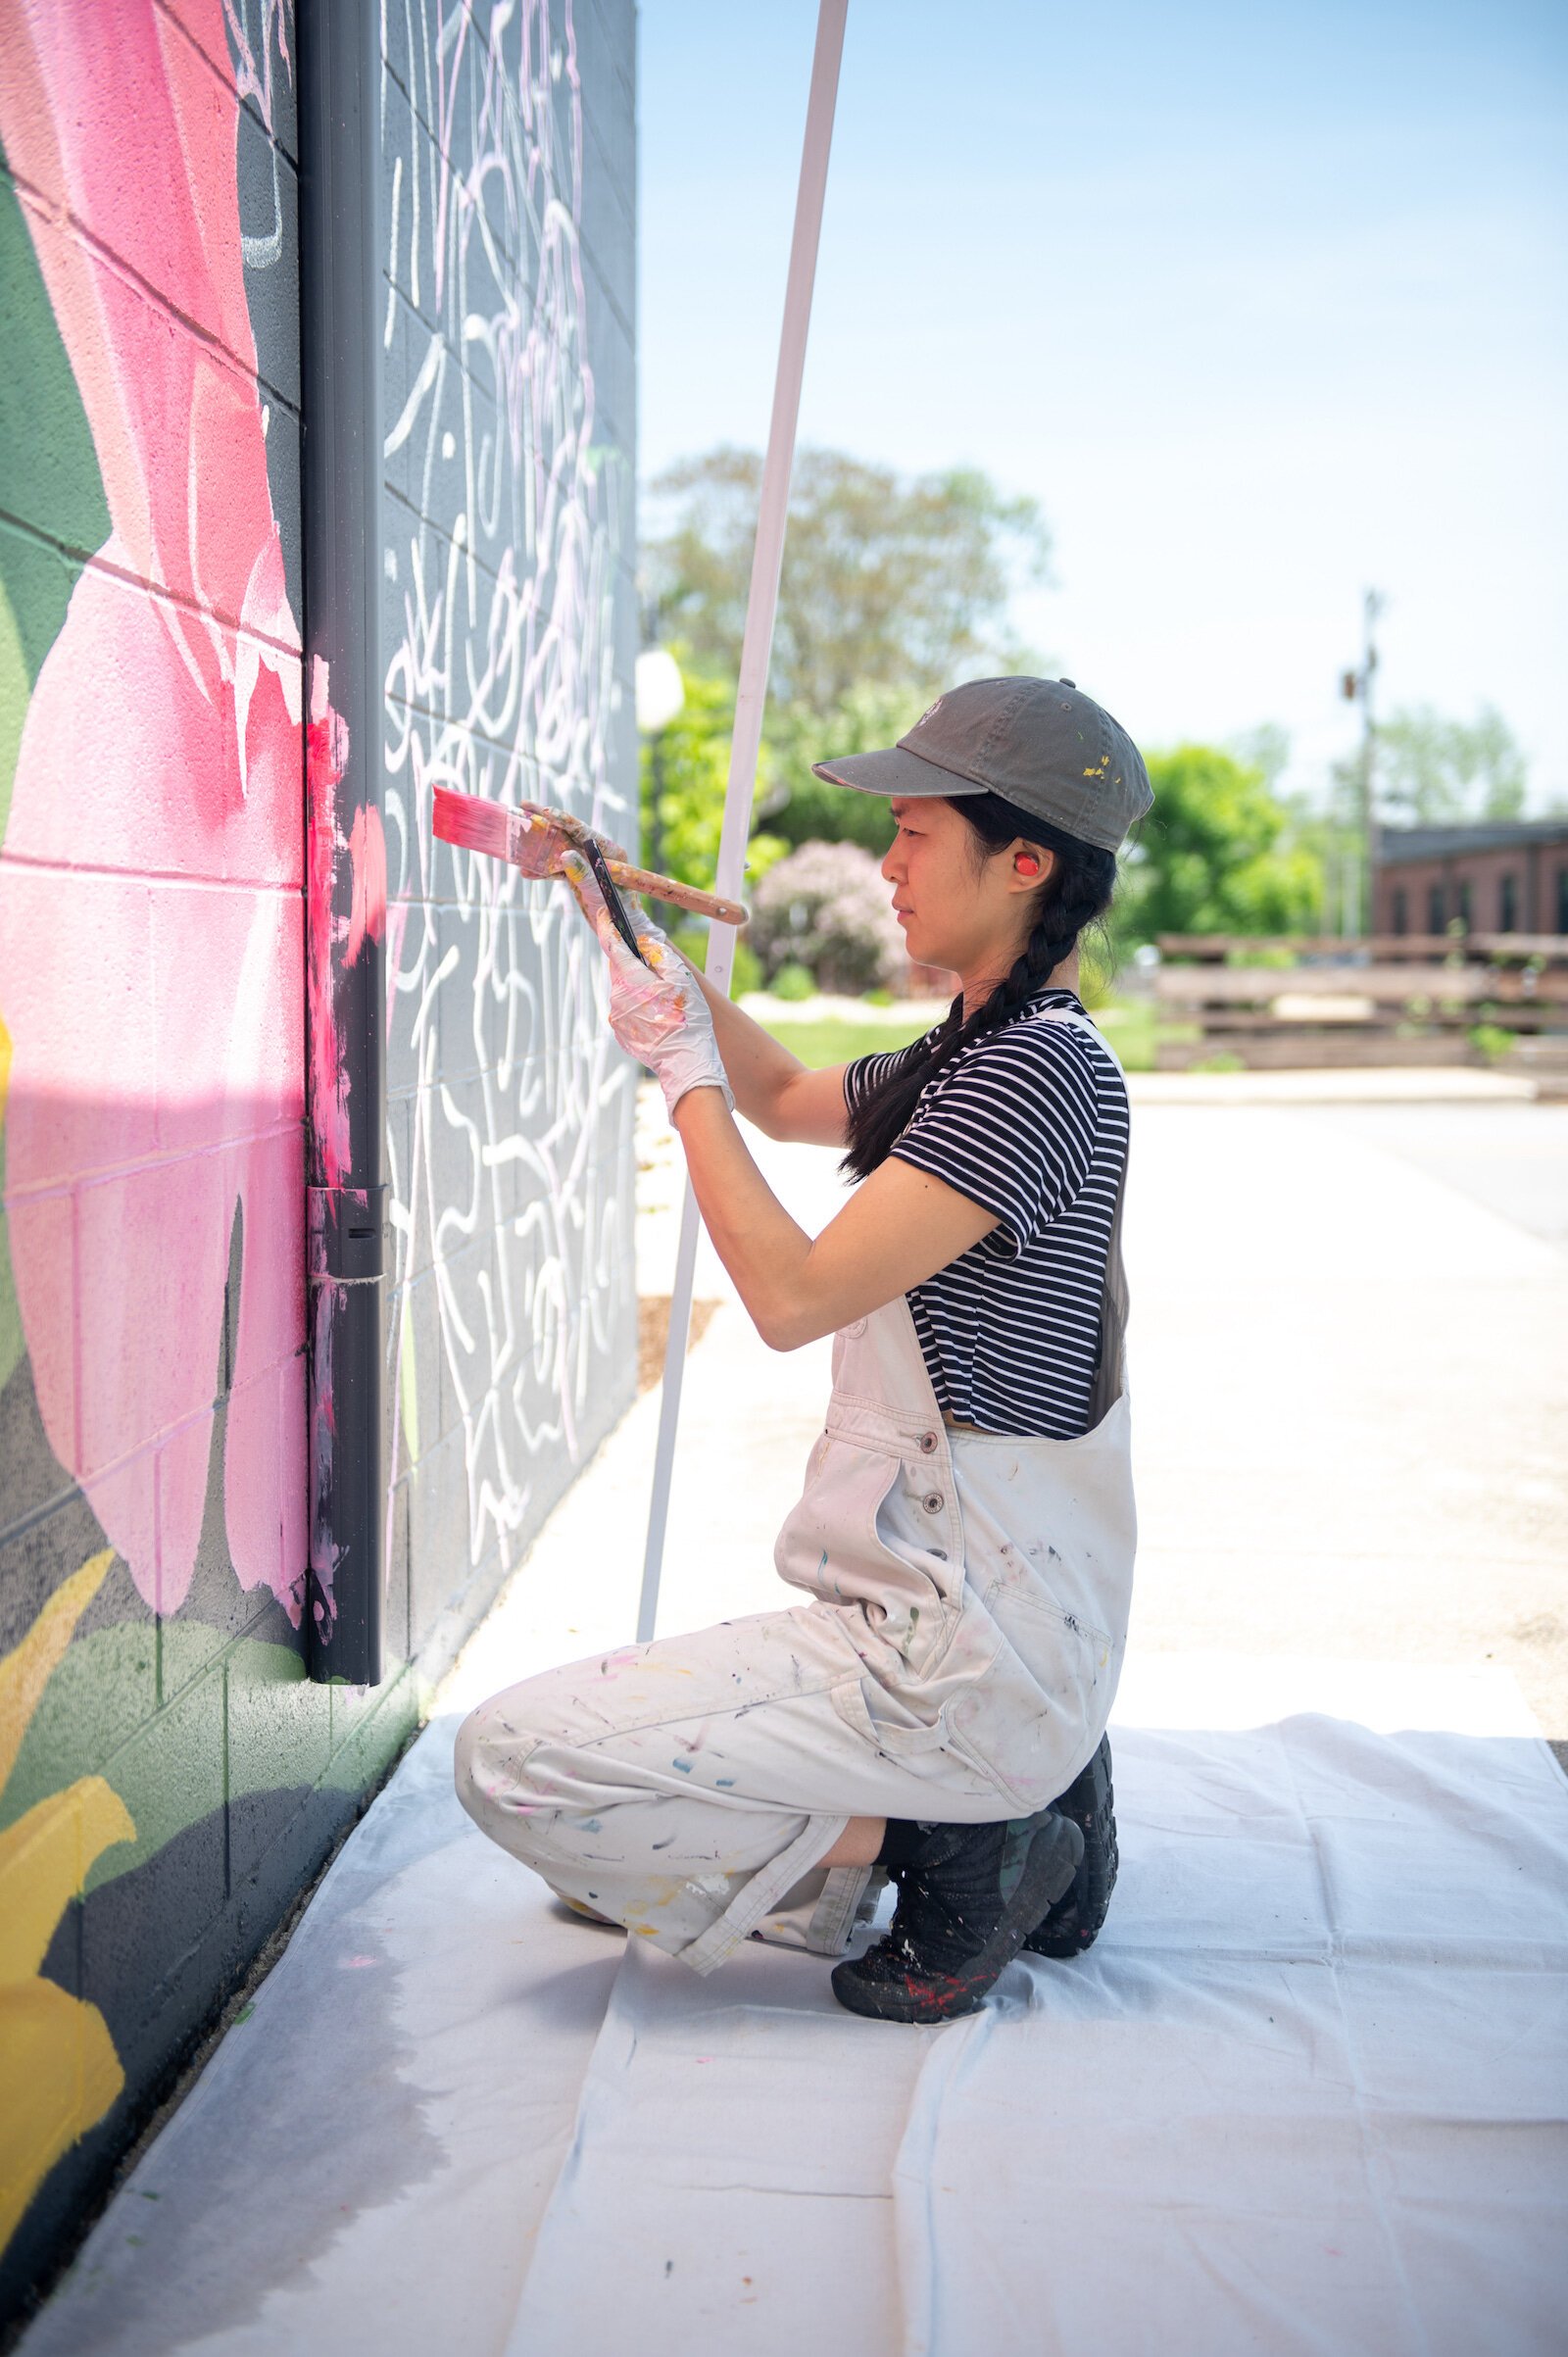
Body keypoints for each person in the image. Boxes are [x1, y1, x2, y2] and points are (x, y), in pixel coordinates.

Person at [455, 676, 1152, 2023]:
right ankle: (1025, 1791)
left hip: (958, 1651)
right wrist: (623, 924)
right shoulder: (982, 1049)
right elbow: (780, 1095)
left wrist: (677, 1076)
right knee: (629, 1815)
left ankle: (965, 1844)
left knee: (515, 1768)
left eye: (913, 833)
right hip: (1001, 1623)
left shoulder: (1036, 1075)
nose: (887, 866)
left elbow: (786, 1294)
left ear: (1025, 861)